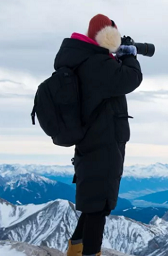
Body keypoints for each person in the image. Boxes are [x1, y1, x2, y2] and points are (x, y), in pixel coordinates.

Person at [54, 14, 143, 256]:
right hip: (103, 143)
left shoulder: (81, 60)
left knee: (94, 205)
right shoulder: (96, 64)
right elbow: (131, 79)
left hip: (92, 142)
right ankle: (90, 253)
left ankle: (75, 251)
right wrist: (129, 55)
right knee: (97, 208)